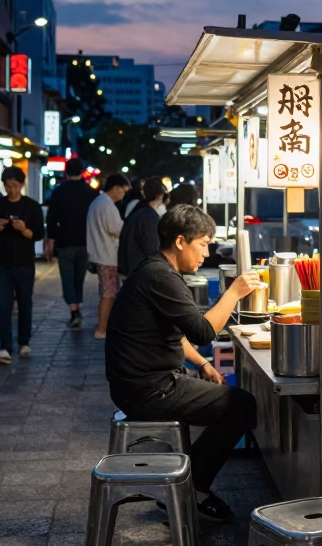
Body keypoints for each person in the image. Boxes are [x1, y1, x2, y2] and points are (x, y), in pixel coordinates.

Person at [106, 203, 260, 523]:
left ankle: (189, 480)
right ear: (180, 242)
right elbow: (202, 331)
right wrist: (233, 292)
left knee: (227, 398)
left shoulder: (156, 269)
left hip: (140, 384)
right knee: (241, 405)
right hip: (148, 390)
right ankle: (192, 489)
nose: (206, 253)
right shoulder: (160, 276)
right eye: (202, 244)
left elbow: (175, 336)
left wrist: (202, 363)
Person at [0, 166, 45, 364]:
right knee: (3, 305)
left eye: (15, 186)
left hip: (24, 264)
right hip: (1, 264)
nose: (12, 190)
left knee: (25, 304)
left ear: (22, 185)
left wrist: (23, 229)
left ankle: (24, 342)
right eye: (8, 186)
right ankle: (5, 347)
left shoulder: (31, 207)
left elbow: (37, 235)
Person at [44, 158, 97, 330]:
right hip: (85, 242)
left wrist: (50, 241)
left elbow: (52, 218)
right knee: (79, 277)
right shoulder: (90, 192)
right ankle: (77, 307)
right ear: (82, 171)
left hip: (65, 241)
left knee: (67, 277)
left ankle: (74, 311)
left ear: (66, 172)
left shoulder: (59, 192)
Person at [86, 173, 130, 339]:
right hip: (107, 256)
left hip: (101, 255)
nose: (123, 194)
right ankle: (102, 329)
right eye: (123, 191)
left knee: (107, 292)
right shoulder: (106, 205)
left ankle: (104, 327)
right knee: (108, 294)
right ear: (116, 188)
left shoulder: (99, 202)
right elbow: (117, 229)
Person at [118, 176, 166, 277]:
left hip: (132, 266)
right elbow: (152, 246)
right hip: (142, 269)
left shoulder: (138, 209)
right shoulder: (149, 216)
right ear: (160, 195)